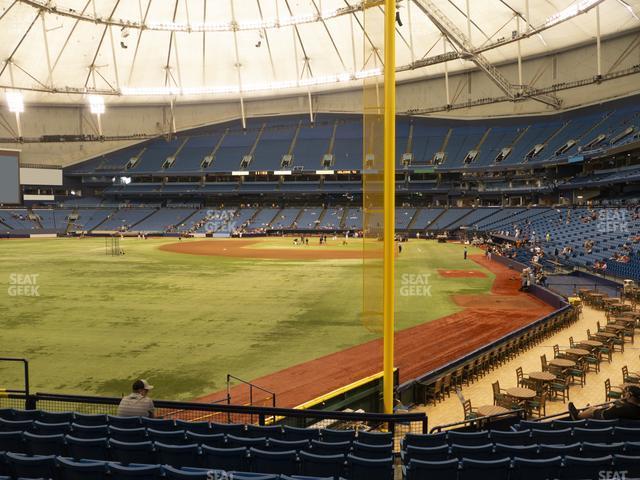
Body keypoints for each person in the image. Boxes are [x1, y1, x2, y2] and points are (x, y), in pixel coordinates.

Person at [569, 385, 640, 420]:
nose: (625, 394)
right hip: (622, 426)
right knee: (594, 407)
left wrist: (597, 410)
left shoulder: (623, 407)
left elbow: (604, 415)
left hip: (606, 422)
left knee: (592, 409)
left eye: (626, 393)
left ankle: (577, 417)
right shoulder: (636, 408)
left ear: (630, 395)